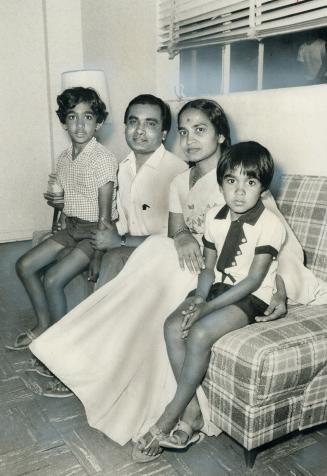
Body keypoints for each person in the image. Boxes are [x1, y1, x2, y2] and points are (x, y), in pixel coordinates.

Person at [30, 99, 290, 456]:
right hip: (189, 265)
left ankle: (172, 407)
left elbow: (277, 245)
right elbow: (174, 235)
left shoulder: (241, 181)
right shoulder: (182, 181)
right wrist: (181, 235)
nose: (190, 139)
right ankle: (89, 361)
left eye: (200, 130)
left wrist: (280, 288)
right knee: (145, 265)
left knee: (147, 271)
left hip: (215, 274)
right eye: (185, 132)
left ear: (222, 136)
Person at [140, 141, 286, 456]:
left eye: (251, 182)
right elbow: (208, 268)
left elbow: (253, 280)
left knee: (201, 332)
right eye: (231, 181)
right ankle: (192, 412)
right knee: (172, 325)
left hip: (250, 297)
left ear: (262, 188)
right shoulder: (214, 218)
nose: (240, 191)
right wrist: (199, 298)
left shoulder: (271, 225)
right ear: (220, 184)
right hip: (216, 289)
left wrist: (208, 307)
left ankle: (168, 417)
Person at [7, 87, 118, 350]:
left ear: (99, 122)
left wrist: (99, 256)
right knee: (23, 265)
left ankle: (60, 348)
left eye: (88, 117)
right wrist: (57, 220)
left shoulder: (103, 159)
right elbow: (63, 197)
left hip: (94, 233)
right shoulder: (64, 158)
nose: (80, 125)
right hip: (71, 226)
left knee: (53, 278)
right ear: (63, 122)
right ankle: (44, 325)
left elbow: (105, 216)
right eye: (72, 117)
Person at [92, 94, 188, 287]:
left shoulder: (179, 172)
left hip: (165, 255)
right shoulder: (119, 169)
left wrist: (120, 242)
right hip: (127, 251)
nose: (139, 131)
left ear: (163, 133)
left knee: (113, 260)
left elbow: (176, 237)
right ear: (126, 127)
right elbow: (116, 223)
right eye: (133, 122)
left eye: (150, 124)